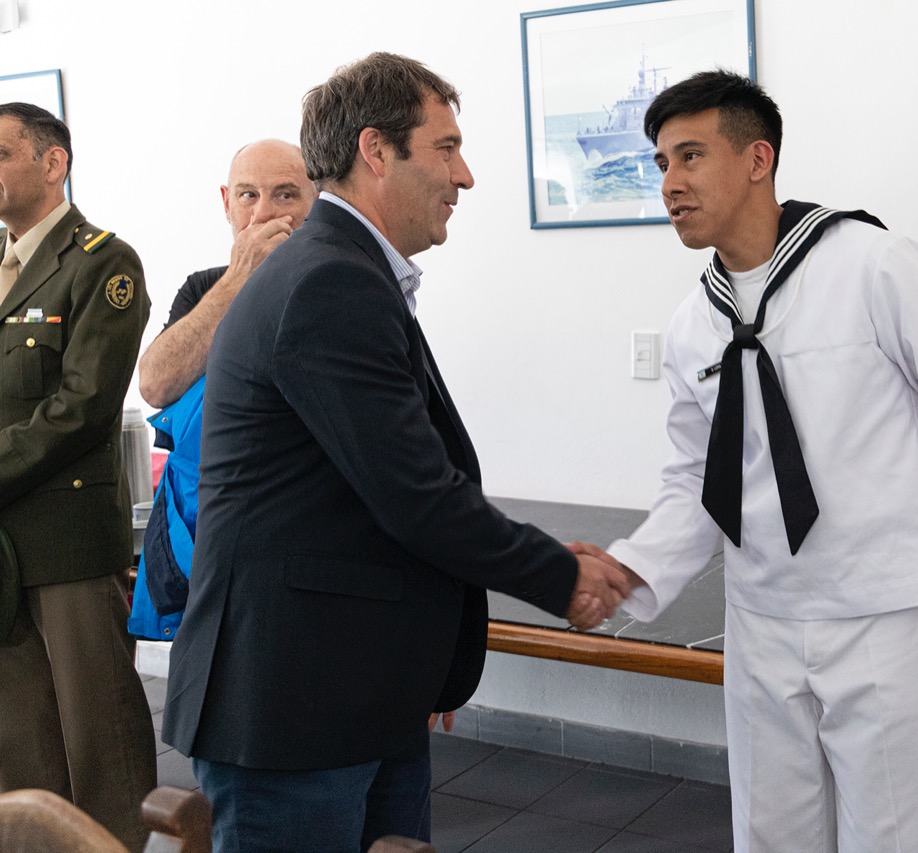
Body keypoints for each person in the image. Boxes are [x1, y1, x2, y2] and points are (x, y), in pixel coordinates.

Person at [161, 53, 628, 852]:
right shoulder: (328, 281)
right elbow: (416, 491)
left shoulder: (346, 271)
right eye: (446, 149)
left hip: (353, 686)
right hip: (296, 706)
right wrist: (563, 575)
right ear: (376, 151)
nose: (465, 175)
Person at [581, 71, 918, 852]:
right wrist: (631, 568)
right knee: (771, 835)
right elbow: (695, 479)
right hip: (760, 619)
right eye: (661, 163)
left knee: (901, 837)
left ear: (758, 159)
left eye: (690, 156)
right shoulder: (693, 324)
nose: (670, 183)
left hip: (881, 614)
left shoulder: (874, 264)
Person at [0, 102, 155, 851]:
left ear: (53, 162)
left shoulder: (102, 263)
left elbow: (83, 408)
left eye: (1, 153)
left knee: (101, 744)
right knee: (20, 739)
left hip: (67, 543)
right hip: (5, 546)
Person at [129, 140, 317, 642]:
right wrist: (237, 281)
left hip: (301, 539)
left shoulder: (336, 285)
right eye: (248, 195)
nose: (263, 213)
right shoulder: (204, 288)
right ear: (226, 203)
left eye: (285, 195)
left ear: (317, 201)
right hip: (211, 535)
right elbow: (155, 383)